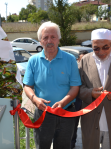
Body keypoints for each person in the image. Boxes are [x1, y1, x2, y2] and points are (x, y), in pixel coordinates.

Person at [23, 21, 81, 149]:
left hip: (66, 113)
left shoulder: (70, 59)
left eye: (53, 37)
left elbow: (75, 87)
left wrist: (62, 103)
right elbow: (27, 86)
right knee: (41, 146)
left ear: (58, 39)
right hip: (43, 114)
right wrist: (35, 100)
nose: (50, 40)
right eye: (45, 37)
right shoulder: (33, 61)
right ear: (40, 41)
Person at [71, 50, 89, 149]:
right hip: (76, 103)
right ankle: (72, 144)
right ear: (78, 59)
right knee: (73, 125)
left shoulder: (93, 71)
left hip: (89, 103)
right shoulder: (74, 70)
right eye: (82, 59)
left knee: (88, 126)